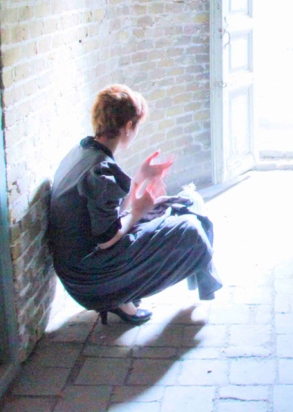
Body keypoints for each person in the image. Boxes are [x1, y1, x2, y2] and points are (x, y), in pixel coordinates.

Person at [48, 85, 222, 325]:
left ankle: (125, 298)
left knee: (189, 202)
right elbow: (106, 238)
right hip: (90, 275)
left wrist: (140, 178)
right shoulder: (100, 169)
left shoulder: (84, 151)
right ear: (128, 126)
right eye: (137, 125)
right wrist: (139, 212)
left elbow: (104, 212)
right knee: (191, 231)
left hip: (85, 264)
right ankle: (119, 298)